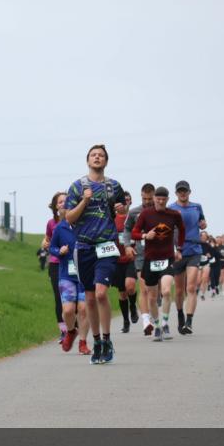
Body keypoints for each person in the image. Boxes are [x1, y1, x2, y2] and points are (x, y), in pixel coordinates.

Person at [64, 145, 126, 364]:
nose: (97, 157)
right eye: (93, 155)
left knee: (101, 294)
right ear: (87, 160)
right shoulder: (77, 186)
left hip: (107, 245)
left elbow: (122, 209)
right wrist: (84, 200)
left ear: (106, 161)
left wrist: (122, 210)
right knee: (89, 298)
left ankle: (107, 340)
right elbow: (69, 218)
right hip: (84, 247)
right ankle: (97, 340)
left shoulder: (114, 186)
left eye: (101, 155)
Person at [131, 186, 185, 341]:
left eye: (163, 199)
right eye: (158, 198)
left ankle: (166, 324)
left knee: (167, 291)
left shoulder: (174, 214)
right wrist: (145, 235)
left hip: (167, 258)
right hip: (150, 260)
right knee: (152, 297)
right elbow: (134, 232)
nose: (160, 201)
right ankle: (157, 326)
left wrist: (179, 248)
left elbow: (182, 230)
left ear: (167, 199)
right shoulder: (146, 214)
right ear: (154, 198)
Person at [168, 181, 206, 334]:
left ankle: (189, 321)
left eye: (185, 191)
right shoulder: (171, 208)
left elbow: (202, 222)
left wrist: (203, 225)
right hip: (178, 252)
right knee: (178, 290)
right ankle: (180, 315)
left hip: (194, 250)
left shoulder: (197, 206)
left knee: (190, 287)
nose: (182, 194)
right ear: (176, 193)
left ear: (190, 192)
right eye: (180, 191)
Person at [50, 217, 91, 354]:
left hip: (85, 273)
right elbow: (52, 247)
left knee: (83, 309)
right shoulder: (60, 228)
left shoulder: (87, 223)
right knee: (68, 311)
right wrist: (59, 251)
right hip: (67, 274)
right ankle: (71, 331)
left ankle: (83, 343)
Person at [124, 183, 156, 335]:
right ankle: (145, 321)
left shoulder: (161, 212)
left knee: (153, 291)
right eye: (144, 198)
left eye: (150, 198)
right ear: (141, 196)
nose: (147, 201)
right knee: (143, 289)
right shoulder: (134, 212)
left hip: (158, 255)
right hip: (140, 256)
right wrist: (127, 245)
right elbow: (127, 229)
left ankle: (154, 315)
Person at [43, 192, 68, 342]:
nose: (63, 204)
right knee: (59, 299)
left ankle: (73, 325)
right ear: (55, 206)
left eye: (66, 201)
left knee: (72, 298)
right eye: (60, 202)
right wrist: (45, 244)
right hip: (55, 264)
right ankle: (63, 331)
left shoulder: (75, 220)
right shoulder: (51, 223)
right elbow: (47, 240)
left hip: (71, 264)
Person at [111, 191, 138, 333]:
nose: (125, 202)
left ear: (130, 202)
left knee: (130, 286)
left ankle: (133, 306)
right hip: (116, 259)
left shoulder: (134, 217)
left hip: (131, 258)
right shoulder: (111, 219)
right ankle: (126, 321)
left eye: (128, 200)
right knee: (122, 293)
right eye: (122, 200)